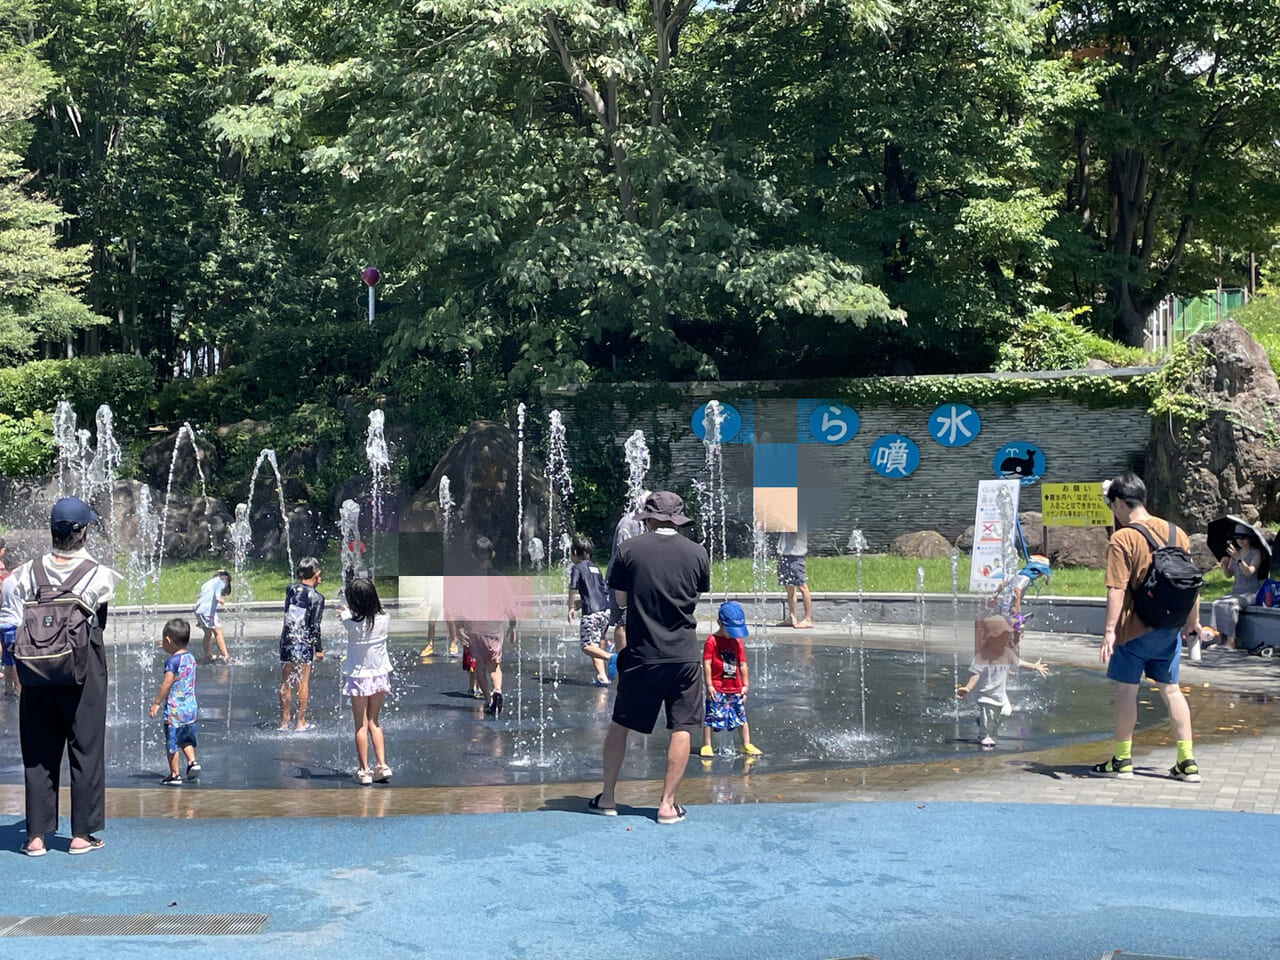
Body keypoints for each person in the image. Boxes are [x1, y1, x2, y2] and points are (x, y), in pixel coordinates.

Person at [1, 497, 122, 856]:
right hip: (83, 671)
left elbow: (9, 623)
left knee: (38, 750)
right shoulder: (100, 575)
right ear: (83, 532)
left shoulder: (23, 574)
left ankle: (36, 835)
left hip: (36, 672)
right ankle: (81, 834)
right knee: (85, 748)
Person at [592, 491, 710, 824]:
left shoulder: (629, 550)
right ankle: (667, 805)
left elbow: (620, 598)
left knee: (620, 725)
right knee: (682, 727)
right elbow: (693, 597)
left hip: (643, 653)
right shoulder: (698, 553)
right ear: (678, 519)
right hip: (683, 655)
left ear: (650, 517)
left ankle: (609, 798)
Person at [1092, 473, 1202, 782]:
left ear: (1118, 502)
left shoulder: (1123, 538)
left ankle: (1122, 760)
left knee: (1127, 691)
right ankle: (1186, 761)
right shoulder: (1176, 532)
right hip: (1169, 628)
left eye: (1111, 505)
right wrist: (1193, 621)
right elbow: (1191, 582)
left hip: (1133, 629)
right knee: (1171, 690)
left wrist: (1110, 631)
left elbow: (1115, 588)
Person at [453, 537, 517, 718]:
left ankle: (488, 700)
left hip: (476, 629)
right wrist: (513, 625)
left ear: (473, 556)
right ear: (493, 554)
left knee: (479, 665)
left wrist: (459, 628)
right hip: (495, 628)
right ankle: (498, 690)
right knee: (495, 665)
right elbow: (510, 605)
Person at [340, 578, 393, 785]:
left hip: (358, 678)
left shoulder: (350, 624)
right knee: (374, 722)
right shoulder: (384, 620)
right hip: (379, 676)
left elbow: (346, 617)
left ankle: (364, 770)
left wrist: (345, 609)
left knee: (360, 726)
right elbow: (378, 612)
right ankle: (382, 765)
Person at [700, 601, 762, 758]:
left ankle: (746, 744)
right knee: (711, 716)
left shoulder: (737, 641)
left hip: (735, 687)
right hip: (717, 687)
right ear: (719, 623)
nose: (732, 633)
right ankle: (707, 745)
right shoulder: (712, 641)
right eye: (730, 629)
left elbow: (742, 664)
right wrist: (709, 685)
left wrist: (746, 685)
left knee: (741, 717)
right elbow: (706, 664)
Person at [148, 617, 201, 785]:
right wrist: (167, 646)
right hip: (190, 707)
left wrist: (156, 702)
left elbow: (167, 683)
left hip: (175, 710)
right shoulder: (191, 657)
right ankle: (193, 762)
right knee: (185, 738)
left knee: (172, 742)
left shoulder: (172, 662)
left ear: (168, 640)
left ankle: (174, 774)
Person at [956, 656, 1050, 748]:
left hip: (1000, 694)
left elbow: (1018, 661)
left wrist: (1034, 666)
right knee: (989, 714)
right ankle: (984, 736)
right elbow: (975, 673)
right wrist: (968, 688)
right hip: (985, 694)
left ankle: (983, 723)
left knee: (1006, 711)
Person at [279, 557, 325, 732]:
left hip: (287, 640)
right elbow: (314, 625)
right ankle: (300, 722)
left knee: (286, 681)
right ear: (316, 574)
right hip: (304, 642)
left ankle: (284, 722)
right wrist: (319, 649)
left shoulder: (290, 589)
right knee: (303, 683)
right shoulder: (317, 598)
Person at [1208, 524, 1265, 650]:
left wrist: (1239, 559)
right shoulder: (1235, 553)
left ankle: (1230, 641)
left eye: (1243, 537)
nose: (1240, 540)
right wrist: (1224, 565)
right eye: (1237, 537)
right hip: (1236, 590)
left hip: (1250, 592)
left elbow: (1249, 572)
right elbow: (1229, 575)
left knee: (1232, 605)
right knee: (1217, 603)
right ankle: (1220, 639)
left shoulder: (1256, 553)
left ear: (1250, 538)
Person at [605, 491, 648, 652]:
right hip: (623, 580)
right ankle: (622, 661)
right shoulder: (628, 523)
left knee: (631, 620)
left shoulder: (642, 523)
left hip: (634, 580)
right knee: (622, 620)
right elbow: (623, 556)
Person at [568, 535, 613, 686]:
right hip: (605, 611)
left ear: (574, 552)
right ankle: (602, 677)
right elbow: (602, 592)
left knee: (586, 646)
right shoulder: (596, 568)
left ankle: (612, 657)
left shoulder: (577, 568)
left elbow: (573, 587)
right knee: (595, 644)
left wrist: (570, 608)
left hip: (592, 614)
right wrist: (582, 602)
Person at [194, 570, 232, 663]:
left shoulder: (207, 583)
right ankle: (225, 656)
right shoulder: (219, 581)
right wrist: (219, 599)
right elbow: (217, 593)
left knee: (208, 633)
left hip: (199, 610)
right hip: (208, 611)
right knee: (218, 631)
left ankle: (207, 655)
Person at [777, 527, 812, 629]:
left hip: (796, 556)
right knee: (788, 586)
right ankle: (792, 616)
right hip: (785, 553)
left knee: (802, 586)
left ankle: (807, 619)